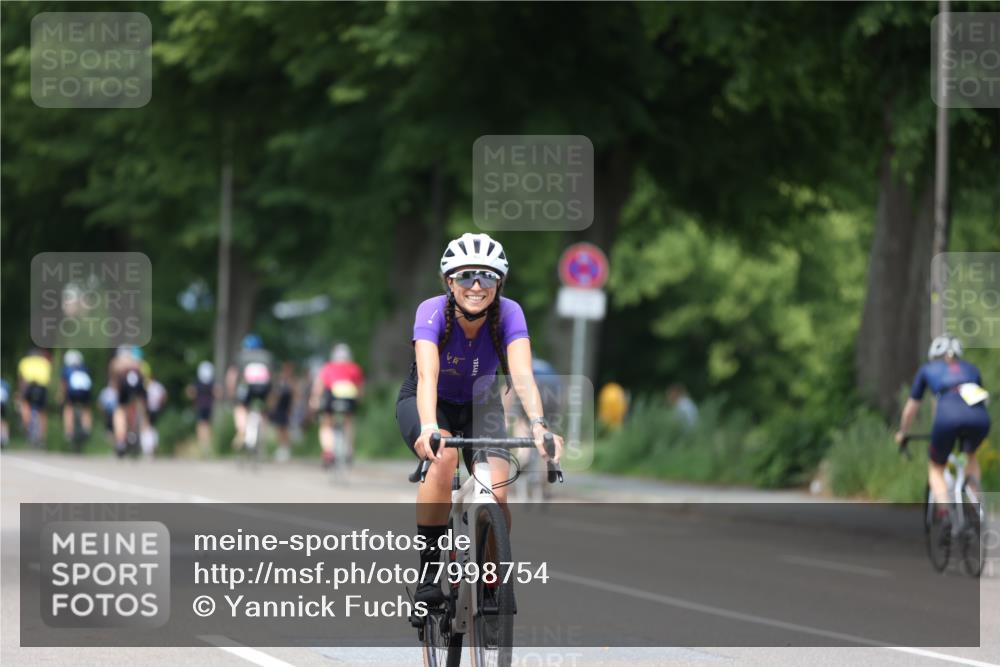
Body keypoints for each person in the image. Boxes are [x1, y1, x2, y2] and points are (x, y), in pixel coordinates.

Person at [395, 232, 563, 604]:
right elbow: (427, 376)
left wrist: (538, 425)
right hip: (428, 402)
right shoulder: (431, 311)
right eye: (466, 275)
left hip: (480, 406)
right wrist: (428, 428)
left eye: (486, 276)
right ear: (449, 281)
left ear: (498, 282)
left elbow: (522, 376)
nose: (476, 285)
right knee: (444, 460)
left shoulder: (510, 313)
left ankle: (490, 580)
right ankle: (428, 576)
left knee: (497, 493)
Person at [896, 334, 990, 518]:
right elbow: (980, 399)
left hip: (947, 418)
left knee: (936, 467)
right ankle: (977, 507)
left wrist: (903, 432)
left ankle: (946, 512)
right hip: (980, 418)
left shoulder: (928, 369)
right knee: (970, 456)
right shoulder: (972, 369)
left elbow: (911, 409)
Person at [312, 343, 364, 468]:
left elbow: (319, 386)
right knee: (348, 421)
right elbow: (360, 390)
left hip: (333, 396)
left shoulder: (328, 367)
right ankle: (350, 450)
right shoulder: (354, 368)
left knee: (326, 423)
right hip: (349, 397)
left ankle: (328, 452)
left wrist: (314, 399)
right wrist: (359, 402)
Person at [227, 334, 273, 450]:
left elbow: (232, 376)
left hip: (247, 387)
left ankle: (242, 431)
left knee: (241, 407)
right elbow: (272, 376)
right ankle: (261, 436)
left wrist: (231, 392)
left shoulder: (241, 356)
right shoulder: (267, 356)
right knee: (263, 411)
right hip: (264, 387)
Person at [108, 346, 147, 456]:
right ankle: (133, 432)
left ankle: (121, 440)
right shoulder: (136, 361)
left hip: (124, 383)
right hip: (137, 383)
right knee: (134, 406)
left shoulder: (116, 362)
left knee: (119, 410)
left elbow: (114, 380)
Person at [18, 347, 52, 443]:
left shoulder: (24, 361)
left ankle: (27, 425)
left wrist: (21, 393)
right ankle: (42, 436)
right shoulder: (45, 362)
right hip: (42, 388)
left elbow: (22, 380)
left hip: (29, 387)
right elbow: (48, 381)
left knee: (25, 405)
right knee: (43, 412)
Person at [60, 349, 93, 444]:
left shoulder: (66, 369)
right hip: (85, 392)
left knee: (68, 408)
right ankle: (87, 427)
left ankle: (69, 431)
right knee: (86, 408)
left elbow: (64, 384)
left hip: (72, 392)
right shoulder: (84, 368)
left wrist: (61, 396)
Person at [187, 361, 217, 454]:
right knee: (206, 425)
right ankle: (205, 446)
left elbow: (190, 393)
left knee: (202, 425)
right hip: (206, 406)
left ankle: (204, 445)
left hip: (201, 406)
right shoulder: (210, 383)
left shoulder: (198, 382)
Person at [270, 361, 296, 462]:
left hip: (287, 408)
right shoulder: (279, 380)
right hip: (279, 408)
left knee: (285, 429)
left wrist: (292, 409)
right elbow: (274, 394)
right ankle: (281, 448)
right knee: (279, 429)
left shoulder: (292, 381)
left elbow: (294, 395)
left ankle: (286, 449)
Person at [1, 378, 10, 448]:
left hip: (3, 403)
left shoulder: (4, 383)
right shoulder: (5, 383)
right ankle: (4, 438)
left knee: (3, 421)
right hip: (3, 403)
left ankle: (4, 438)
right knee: (3, 421)